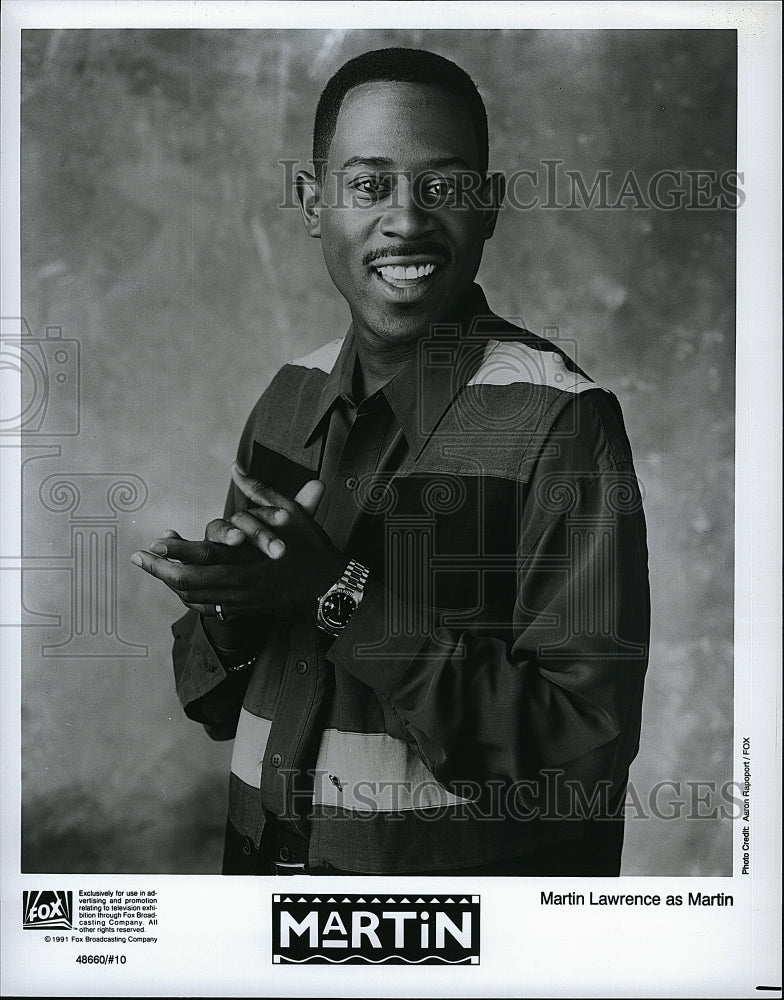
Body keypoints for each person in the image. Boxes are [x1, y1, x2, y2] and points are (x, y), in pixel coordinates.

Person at [132, 47, 650, 876]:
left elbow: (581, 765)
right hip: (265, 878)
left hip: (457, 919)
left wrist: (337, 596)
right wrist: (231, 608)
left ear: (488, 206)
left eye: (442, 188)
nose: (406, 220)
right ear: (312, 203)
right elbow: (216, 704)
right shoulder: (289, 397)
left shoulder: (559, 420)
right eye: (368, 185)